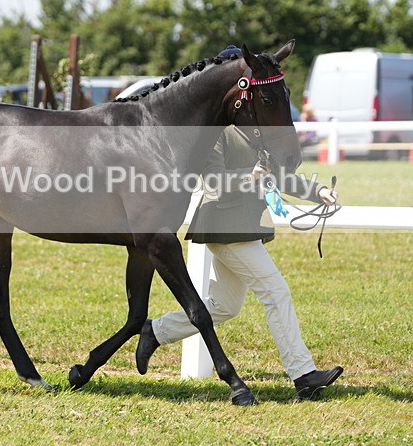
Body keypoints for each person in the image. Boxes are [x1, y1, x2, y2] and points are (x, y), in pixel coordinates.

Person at [135, 47, 343, 401]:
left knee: (223, 307)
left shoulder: (256, 127)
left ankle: (155, 330)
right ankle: (303, 373)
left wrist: (316, 190)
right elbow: (212, 182)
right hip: (224, 224)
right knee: (275, 292)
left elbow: (274, 175)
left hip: (246, 225)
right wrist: (249, 175)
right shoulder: (215, 133)